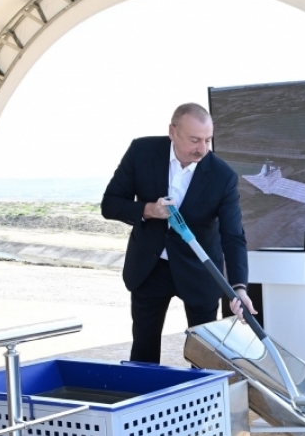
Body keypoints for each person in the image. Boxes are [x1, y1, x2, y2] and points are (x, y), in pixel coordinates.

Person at [102, 103, 256, 364]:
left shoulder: (223, 176)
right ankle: (144, 400)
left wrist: (239, 287)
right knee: (144, 348)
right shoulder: (141, 152)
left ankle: (202, 403)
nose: (202, 148)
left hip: (200, 271)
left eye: (208, 140)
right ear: (173, 131)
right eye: (195, 140)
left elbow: (233, 236)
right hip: (150, 267)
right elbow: (111, 203)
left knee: (205, 354)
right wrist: (150, 210)